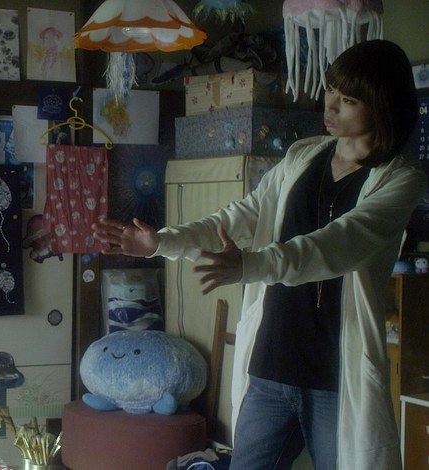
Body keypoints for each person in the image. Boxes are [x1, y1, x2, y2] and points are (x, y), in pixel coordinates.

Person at [93, 39, 424, 470]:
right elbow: (238, 218)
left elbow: (339, 244)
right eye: (331, 90)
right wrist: (161, 243)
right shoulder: (303, 155)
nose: (330, 106)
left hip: (336, 376)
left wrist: (252, 265)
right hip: (272, 363)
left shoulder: (399, 179)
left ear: (381, 107)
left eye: (348, 100)